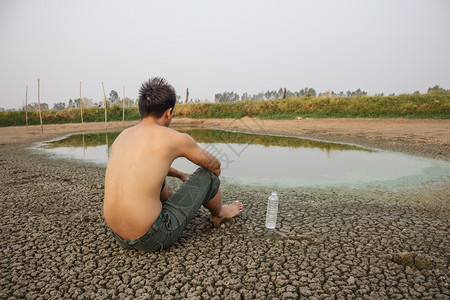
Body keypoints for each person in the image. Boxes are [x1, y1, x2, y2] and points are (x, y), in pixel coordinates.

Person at [103, 77, 243, 252]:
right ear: (168, 112)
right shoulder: (174, 138)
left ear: (141, 109)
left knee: (150, 178)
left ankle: (174, 205)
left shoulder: (123, 136)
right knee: (207, 175)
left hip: (118, 235)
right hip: (153, 237)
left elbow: (144, 168)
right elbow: (215, 166)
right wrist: (200, 186)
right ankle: (220, 213)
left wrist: (180, 174)